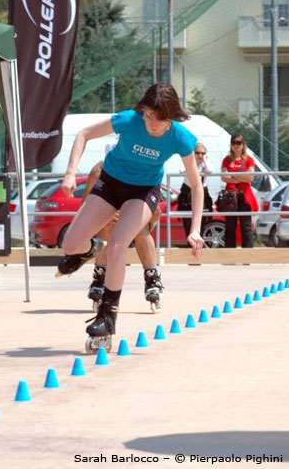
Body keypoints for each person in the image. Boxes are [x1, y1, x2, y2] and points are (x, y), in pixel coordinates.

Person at [58, 83, 204, 350]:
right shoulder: (129, 120)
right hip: (111, 183)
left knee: (117, 245)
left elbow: (196, 186)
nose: (152, 124)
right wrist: (70, 173)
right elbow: (83, 134)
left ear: (170, 116)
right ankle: (91, 248)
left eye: (159, 120)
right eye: (148, 115)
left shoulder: (181, 138)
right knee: (70, 244)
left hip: (144, 190)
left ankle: (107, 317)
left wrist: (195, 229)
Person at [83, 160, 164, 313]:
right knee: (107, 224)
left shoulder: (144, 171)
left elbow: (156, 211)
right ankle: (100, 274)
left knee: (141, 228)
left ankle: (152, 276)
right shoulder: (98, 172)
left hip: (134, 214)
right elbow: (86, 204)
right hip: (108, 217)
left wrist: (146, 221)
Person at [221, 134, 258, 248]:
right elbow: (223, 177)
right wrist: (242, 176)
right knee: (230, 227)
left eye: (239, 143)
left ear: (243, 145)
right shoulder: (226, 160)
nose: (236, 145)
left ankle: (247, 257)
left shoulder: (249, 160)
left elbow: (250, 177)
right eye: (234, 143)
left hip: (245, 197)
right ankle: (229, 257)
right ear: (231, 145)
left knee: (246, 227)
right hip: (230, 197)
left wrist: (233, 176)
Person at [177, 142, 213, 239]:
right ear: (193, 153)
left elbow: (210, 171)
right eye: (197, 153)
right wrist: (193, 163)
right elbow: (181, 171)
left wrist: (205, 160)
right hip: (187, 193)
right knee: (188, 224)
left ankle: (199, 244)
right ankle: (190, 245)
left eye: (203, 153)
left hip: (203, 193)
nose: (200, 155)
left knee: (202, 223)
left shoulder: (205, 164)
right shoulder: (189, 161)